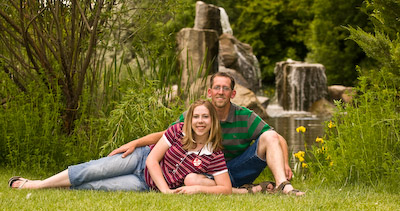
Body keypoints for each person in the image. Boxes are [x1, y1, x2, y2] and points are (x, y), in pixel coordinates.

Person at [108, 72, 304, 196]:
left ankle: (282, 186)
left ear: (232, 94)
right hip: (207, 173)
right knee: (190, 180)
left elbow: (277, 138)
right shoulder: (197, 114)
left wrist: (284, 163)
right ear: (210, 92)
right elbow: (165, 134)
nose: (221, 92)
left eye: (225, 88)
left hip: (237, 167)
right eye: (217, 88)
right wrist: (135, 142)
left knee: (269, 136)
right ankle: (247, 191)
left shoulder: (245, 116)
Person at [9, 100, 232, 195]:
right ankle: (37, 185)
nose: (200, 121)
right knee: (94, 170)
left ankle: (56, 187)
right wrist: (166, 191)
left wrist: (196, 189)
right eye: (196, 116)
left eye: (205, 117)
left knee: (98, 187)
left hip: (144, 184)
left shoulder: (215, 153)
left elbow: (225, 188)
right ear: (190, 119)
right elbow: (152, 160)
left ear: (213, 120)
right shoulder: (178, 130)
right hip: (139, 159)